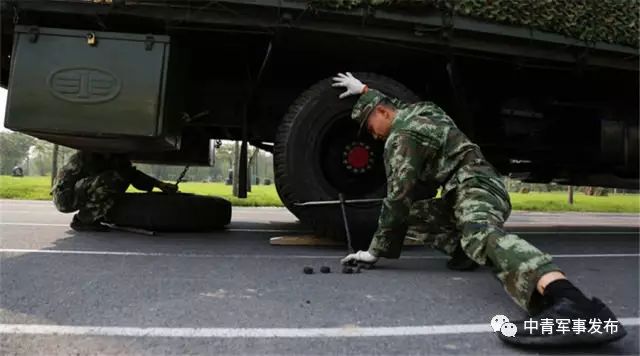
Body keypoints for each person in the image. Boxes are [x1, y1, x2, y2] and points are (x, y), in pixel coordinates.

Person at [332, 72, 626, 346]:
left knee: (479, 233)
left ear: (382, 113)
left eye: (370, 127)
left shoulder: (401, 138)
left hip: (475, 187)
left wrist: (374, 251)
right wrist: (366, 91)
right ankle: (464, 251)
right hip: (473, 187)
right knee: (417, 216)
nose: (373, 136)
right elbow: (394, 104)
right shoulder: (424, 111)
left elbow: (397, 200)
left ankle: (573, 304)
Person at [51, 151, 178, 232]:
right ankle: (83, 220)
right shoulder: (87, 157)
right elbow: (119, 176)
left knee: (117, 179)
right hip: (65, 199)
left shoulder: (114, 158)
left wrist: (160, 185)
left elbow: (132, 175)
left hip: (78, 192)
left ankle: (94, 215)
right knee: (111, 180)